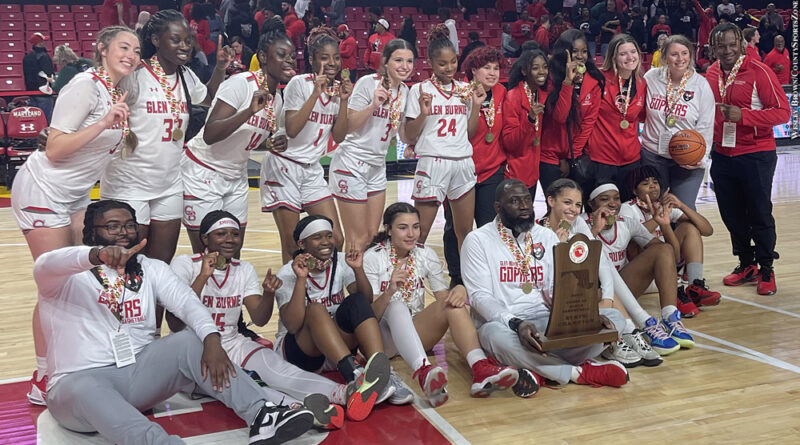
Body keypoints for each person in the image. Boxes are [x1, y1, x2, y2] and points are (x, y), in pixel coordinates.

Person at [36, 200, 314, 445]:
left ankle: (262, 415)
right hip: (75, 384)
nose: (123, 232)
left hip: (137, 376)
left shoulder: (151, 268)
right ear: (91, 233)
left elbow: (187, 303)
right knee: (87, 389)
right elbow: (46, 263)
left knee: (189, 341)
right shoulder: (65, 275)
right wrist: (95, 255)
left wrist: (212, 339)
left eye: (130, 225)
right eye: (112, 226)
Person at [12, 26, 140, 406]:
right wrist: (102, 124)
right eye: (123, 46)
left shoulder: (118, 91)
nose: (131, 54)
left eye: (135, 49)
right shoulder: (85, 85)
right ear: (101, 49)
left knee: (85, 277)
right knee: (55, 285)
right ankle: (42, 377)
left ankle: (78, 359)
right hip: (44, 189)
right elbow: (53, 148)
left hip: (76, 195)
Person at [170, 210, 386, 426]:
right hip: (195, 346)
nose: (230, 239)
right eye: (221, 234)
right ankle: (303, 411)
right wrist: (203, 276)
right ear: (205, 238)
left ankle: (347, 393)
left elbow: (260, 318)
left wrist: (268, 294)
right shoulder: (185, 264)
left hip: (233, 341)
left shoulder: (243, 269)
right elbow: (175, 323)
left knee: (280, 372)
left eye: (235, 234)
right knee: (246, 383)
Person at [462, 179, 630, 388]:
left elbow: (556, 287)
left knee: (615, 318)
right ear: (498, 207)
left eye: (527, 200)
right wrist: (516, 323)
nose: (524, 206)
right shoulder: (478, 240)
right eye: (515, 201)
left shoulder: (545, 235)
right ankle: (579, 372)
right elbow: (480, 297)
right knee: (491, 335)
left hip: (547, 323)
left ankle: (537, 370)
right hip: (508, 326)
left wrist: (586, 316)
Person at [103, 10, 233, 268]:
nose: (185, 46)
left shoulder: (186, 75)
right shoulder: (134, 74)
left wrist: (219, 69)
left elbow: (207, 98)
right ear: (155, 40)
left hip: (169, 184)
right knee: (127, 266)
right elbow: (100, 103)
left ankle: (155, 311)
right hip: (129, 184)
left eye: (187, 40)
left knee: (161, 266)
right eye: (176, 40)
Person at [364, 203, 521, 406]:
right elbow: (369, 318)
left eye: (416, 227)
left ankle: (480, 366)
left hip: (416, 332)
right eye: (403, 228)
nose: (411, 234)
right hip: (382, 339)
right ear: (388, 229)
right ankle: (423, 370)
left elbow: (442, 300)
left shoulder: (425, 254)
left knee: (453, 306)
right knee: (397, 306)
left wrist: (461, 291)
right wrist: (390, 291)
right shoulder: (372, 258)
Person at [182, 24, 295, 256]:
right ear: (263, 57)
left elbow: (250, 138)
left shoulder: (278, 100)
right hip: (203, 172)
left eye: (292, 56)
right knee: (207, 253)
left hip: (236, 176)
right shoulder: (241, 84)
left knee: (233, 250)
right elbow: (210, 134)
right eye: (281, 55)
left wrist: (270, 144)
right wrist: (248, 112)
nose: (289, 60)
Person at [538, 179, 663, 366]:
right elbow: (543, 278)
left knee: (600, 279)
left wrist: (607, 298)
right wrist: (557, 246)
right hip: (551, 299)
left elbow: (601, 261)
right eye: (567, 202)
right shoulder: (537, 231)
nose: (573, 209)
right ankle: (621, 335)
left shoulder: (578, 224)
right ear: (550, 201)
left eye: (578, 204)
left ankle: (627, 333)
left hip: (579, 292)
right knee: (592, 287)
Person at [274, 215, 392, 413]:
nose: (326, 242)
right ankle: (355, 374)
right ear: (302, 243)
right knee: (316, 310)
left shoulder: (340, 261)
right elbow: (293, 326)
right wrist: (301, 279)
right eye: (317, 237)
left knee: (356, 301)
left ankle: (381, 373)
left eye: (329, 236)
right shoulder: (287, 273)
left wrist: (358, 269)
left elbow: (365, 301)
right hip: (301, 352)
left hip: (335, 347)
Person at [706, 23, 790, 296]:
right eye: (722, 45)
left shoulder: (759, 70)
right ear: (713, 48)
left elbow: (782, 113)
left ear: (741, 45)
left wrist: (745, 116)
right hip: (722, 153)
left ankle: (767, 268)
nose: (728, 50)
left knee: (759, 213)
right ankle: (746, 263)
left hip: (756, 153)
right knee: (731, 214)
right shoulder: (710, 73)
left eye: (732, 44)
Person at [261, 26, 352, 263]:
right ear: (311, 60)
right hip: (284, 165)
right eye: (324, 58)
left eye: (336, 57)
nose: (332, 63)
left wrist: (344, 101)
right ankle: (292, 299)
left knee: (336, 239)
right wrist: (315, 93)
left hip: (311, 169)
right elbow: (292, 129)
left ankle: (328, 292)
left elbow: (340, 136)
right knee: (293, 244)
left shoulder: (336, 92)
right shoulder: (299, 84)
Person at [585, 183, 694, 352]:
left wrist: (663, 225)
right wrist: (593, 231)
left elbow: (672, 256)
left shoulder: (626, 222)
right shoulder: (580, 223)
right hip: (594, 295)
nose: (612, 203)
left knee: (663, 249)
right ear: (591, 204)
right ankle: (640, 325)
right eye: (604, 199)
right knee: (601, 257)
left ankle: (670, 317)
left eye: (617, 198)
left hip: (623, 291)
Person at [404, 25, 483, 254]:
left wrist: (476, 107)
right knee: (419, 233)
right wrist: (423, 114)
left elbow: (469, 133)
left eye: (453, 62)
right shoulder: (419, 90)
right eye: (442, 64)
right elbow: (409, 135)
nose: (449, 68)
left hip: (463, 162)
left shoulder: (466, 90)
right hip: (433, 161)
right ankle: (411, 284)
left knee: (466, 232)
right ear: (430, 62)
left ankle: (467, 285)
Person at [328, 40, 413, 252]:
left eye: (410, 61)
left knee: (372, 237)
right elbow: (347, 125)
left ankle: (366, 284)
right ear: (386, 62)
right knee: (356, 239)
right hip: (352, 163)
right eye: (399, 60)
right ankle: (353, 286)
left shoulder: (405, 92)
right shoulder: (368, 83)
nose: (405, 66)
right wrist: (373, 105)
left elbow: (402, 134)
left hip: (377, 166)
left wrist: (415, 140)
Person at [443, 46, 508, 287]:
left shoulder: (502, 92)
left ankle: (487, 278)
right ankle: (458, 279)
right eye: (486, 68)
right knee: (455, 230)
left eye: (496, 68)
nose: (492, 73)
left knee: (489, 228)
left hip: (492, 171)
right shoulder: (460, 93)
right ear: (473, 70)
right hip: (460, 172)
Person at [620, 166, 720, 316]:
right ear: (635, 191)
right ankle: (675, 293)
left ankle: (695, 287)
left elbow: (707, 230)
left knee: (689, 228)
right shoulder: (627, 209)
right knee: (647, 245)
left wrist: (681, 206)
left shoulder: (664, 207)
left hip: (665, 271)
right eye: (645, 183)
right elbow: (631, 240)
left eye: (655, 182)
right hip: (640, 277)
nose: (653, 186)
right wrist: (657, 219)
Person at [641, 35, 714, 210]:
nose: (680, 59)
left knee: (682, 212)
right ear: (664, 56)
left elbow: (706, 126)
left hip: (687, 159)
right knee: (655, 211)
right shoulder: (651, 78)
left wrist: (700, 158)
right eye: (674, 54)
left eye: (684, 53)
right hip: (653, 156)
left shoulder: (701, 85)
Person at [585, 34, 647, 194]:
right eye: (623, 53)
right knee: (600, 213)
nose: (630, 57)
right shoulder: (599, 79)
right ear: (613, 56)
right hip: (601, 159)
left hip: (631, 159)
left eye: (633, 52)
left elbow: (642, 116)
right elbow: (586, 118)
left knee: (627, 213)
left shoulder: (642, 83)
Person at [502, 48, 549, 198]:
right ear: (524, 71)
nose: (542, 71)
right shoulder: (513, 97)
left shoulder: (542, 95)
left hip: (532, 170)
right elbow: (509, 142)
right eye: (535, 68)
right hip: (515, 171)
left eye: (545, 67)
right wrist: (529, 119)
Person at [22, 32, 55, 122]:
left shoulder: (27, 57)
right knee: (45, 119)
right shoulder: (44, 56)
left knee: (36, 119)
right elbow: (49, 74)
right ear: (40, 43)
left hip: (32, 92)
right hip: (44, 92)